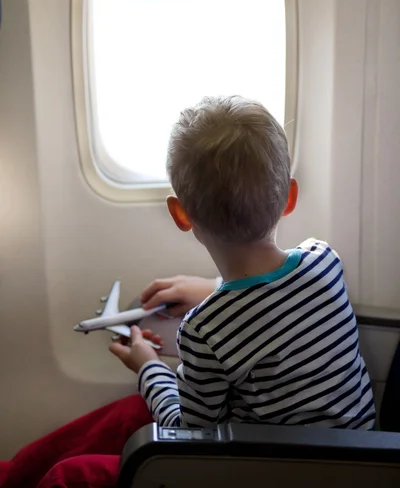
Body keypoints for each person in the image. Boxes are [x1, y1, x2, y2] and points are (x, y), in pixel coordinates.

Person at [1, 96, 375, 488]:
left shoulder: (204, 330)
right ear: (289, 198)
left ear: (180, 214)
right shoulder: (326, 261)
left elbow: (189, 438)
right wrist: (215, 290)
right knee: (131, 414)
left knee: (69, 476)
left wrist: (148, 367)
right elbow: (275, 305)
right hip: (355, 461)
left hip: (270, 474)